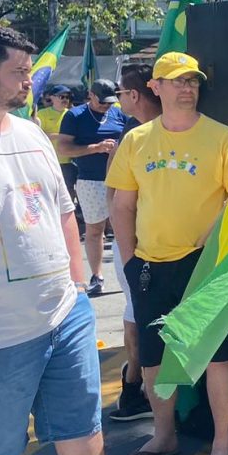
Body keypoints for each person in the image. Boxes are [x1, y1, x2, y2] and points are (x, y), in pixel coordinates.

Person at [0, 26, 166, 455]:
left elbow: (64, 210)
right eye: (18, 72)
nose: (29, 82)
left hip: (62, 313)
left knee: (81, 419)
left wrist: (78, 287)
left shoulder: (35, 134)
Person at [107, 51, 228, 455]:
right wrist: (130, 261)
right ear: (157, 87)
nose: (187, 88)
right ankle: (163, 435)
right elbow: (122, 204)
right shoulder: (136, 140)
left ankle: (221, 442)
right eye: (177, 80)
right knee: (152, 359)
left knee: (217, 357)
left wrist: (211, 247)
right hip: (150, 265)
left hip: (203, 267)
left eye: (193, 81)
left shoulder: (223, 137)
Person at [104, 63, 164, 423]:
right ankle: (133, 388)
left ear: (135, 95)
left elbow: (114, 199)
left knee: (137, 319)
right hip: (142, 248)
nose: (119, 101)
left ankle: (134, 389)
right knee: (138, 318)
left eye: (122, 94)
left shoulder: (134, 139)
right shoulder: (143, 137)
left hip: (140, 249)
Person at [57, 78, 130, 296]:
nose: (106, 106)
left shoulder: (118, 113)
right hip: (91, 179)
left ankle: (129, 273)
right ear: (91, 95)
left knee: (124, 228)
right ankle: (97, 275)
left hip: (122, 179)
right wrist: (95, 148)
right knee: (95, 229)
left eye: (110, 102)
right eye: (102, 102)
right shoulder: (75, 116)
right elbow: (64, 148)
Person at [36, 83, 77, 197]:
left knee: (68, 192)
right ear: (52, 97)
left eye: (67, 97)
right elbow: (38, 136)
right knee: (48, 192)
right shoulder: (42, 114)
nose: (65, 100)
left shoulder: (72, 114)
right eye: (61, 97)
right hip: (48, 160)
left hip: (68, 162)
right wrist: (61, 136)